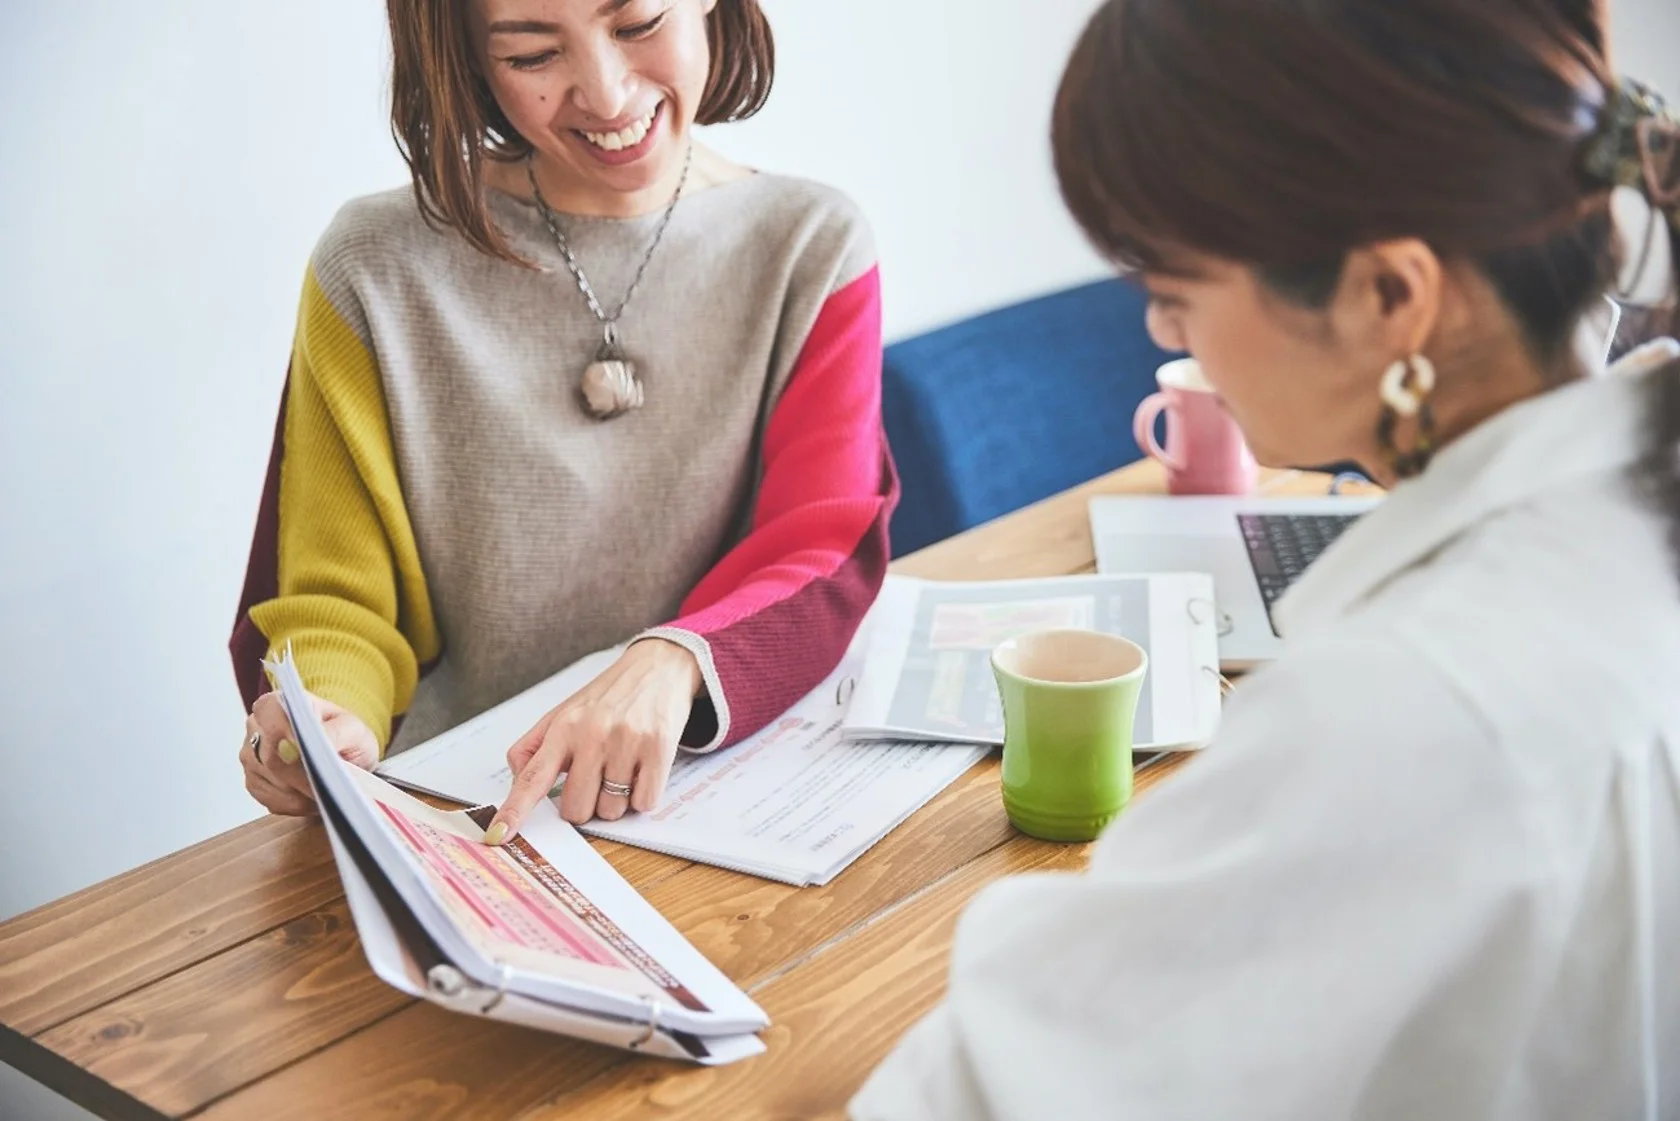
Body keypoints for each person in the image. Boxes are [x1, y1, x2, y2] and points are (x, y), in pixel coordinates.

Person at [854, 1, 1680, 1117]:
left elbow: (988, 1092)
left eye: (1175, 292)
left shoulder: (1411, 702)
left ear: (1389, 295)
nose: (1161, 334)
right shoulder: (1630, 498)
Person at [230, 0, 895, 836]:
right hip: (463, 815)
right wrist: (326, 717)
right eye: (532, 56)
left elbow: (820, 547)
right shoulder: (373, 266)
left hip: (710, 794)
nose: (607, 96)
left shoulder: (812, 246)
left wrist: (675, 660)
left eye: (638, 23)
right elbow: (335, 601)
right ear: (468, 60)